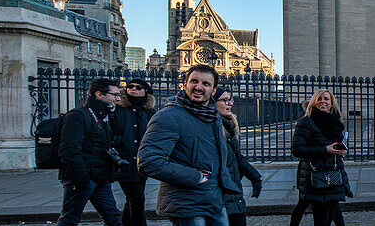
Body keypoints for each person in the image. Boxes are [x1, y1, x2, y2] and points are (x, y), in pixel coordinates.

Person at [139, 65, 241, 226]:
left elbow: (217, 158)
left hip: (214, 201)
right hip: (187, 204)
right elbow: (148, 162)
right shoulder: (168, 116)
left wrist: (225, 185)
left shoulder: (212, 116)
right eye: (194, 81)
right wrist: (195, 177)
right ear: (185, 84)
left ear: (213, 91)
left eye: (206, 84)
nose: (199, 87)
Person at [56, 77, 123, 226]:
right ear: (99, 95)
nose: (118, 99)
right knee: (70, 218)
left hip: (100, 176)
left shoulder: (102, 115)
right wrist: (82, 178)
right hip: (83, 178)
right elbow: (68, 151)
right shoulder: (78, 116)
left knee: (113, 218)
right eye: (115, 95)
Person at [291, 90, 351, 226]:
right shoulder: (306, 121)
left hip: (334, 173)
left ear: (332, 103)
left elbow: (334, 145)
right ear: (314, 102)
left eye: (326, 99)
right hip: (316, 176)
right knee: (321, 219)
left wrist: (339, 150)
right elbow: (296, 149)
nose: (323, 101)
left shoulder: (335, 121)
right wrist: (325, 150)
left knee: (334, 214)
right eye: (319, 99)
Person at [212, 88, 262, 226]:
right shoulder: (212, 129)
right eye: (225, 100)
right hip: (221, 194)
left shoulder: (229, 125)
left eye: (230, 99)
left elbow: (237, 157)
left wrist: (254, 176)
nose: (230, 103)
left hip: (232, 192)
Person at [112, 78, 156, 226]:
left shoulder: (149, 111)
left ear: (145, 91)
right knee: (137, 198)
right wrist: (119, 142)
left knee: (132, 199)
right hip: (124, 161)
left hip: (142, 162)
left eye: (138, 87)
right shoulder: (118, 109)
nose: (134, 89)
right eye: (130, 86)